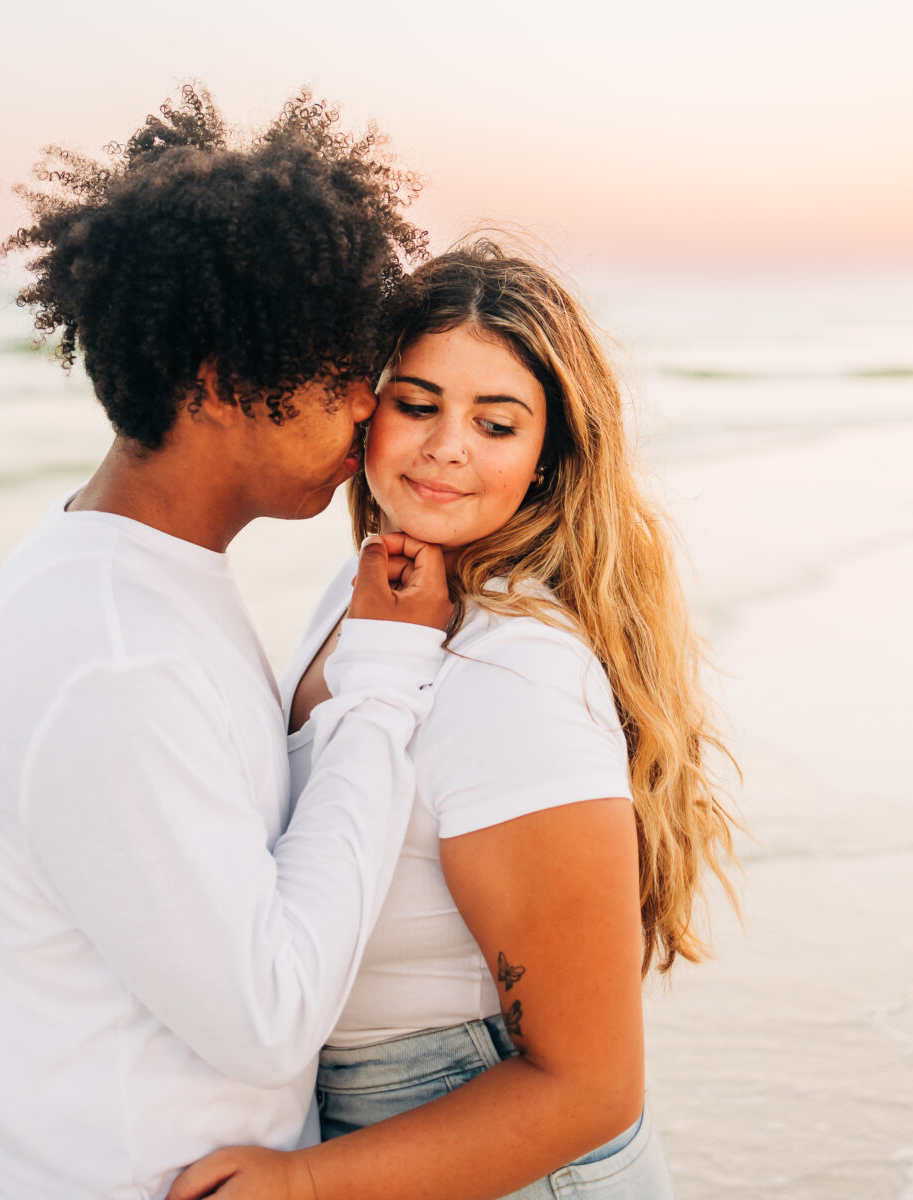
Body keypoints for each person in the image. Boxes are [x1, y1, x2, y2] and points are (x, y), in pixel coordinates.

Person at [0, 86, 455, 1200]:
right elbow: (269, 1010)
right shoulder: (116, 655)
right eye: (334, 368)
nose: (366, 404)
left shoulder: (130, 578)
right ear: (216, 381)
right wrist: (383, 682)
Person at [172, 238, 739, 1200]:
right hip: (386, 1129)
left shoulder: (512, 672)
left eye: (496, 422)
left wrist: (302, 1185)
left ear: (547, 459)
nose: (447, 447)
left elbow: (591, 1086)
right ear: (366, 406)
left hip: (497, 1156)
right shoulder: (378, 597)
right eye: (419, 404)